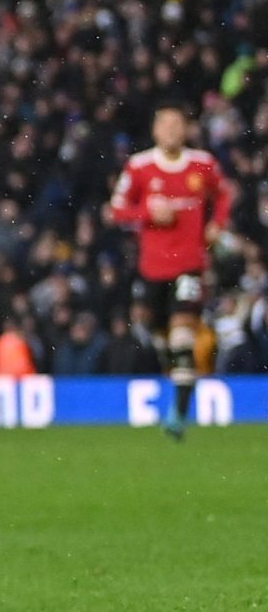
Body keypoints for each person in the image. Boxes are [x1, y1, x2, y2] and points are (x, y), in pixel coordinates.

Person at [109, 105, 234, 439]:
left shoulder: (202, 164)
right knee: (161, 337)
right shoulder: (139, 167)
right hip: (152, 269)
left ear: (186, 129)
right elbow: (118, 210)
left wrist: (217, 225)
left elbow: (224, 195)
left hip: (189, 266)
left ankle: (178, 413)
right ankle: (179, 392)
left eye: (177, 124)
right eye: (165, 124)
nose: (171, 130)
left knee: (182, 336)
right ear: (155, 131)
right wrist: (148, 212)